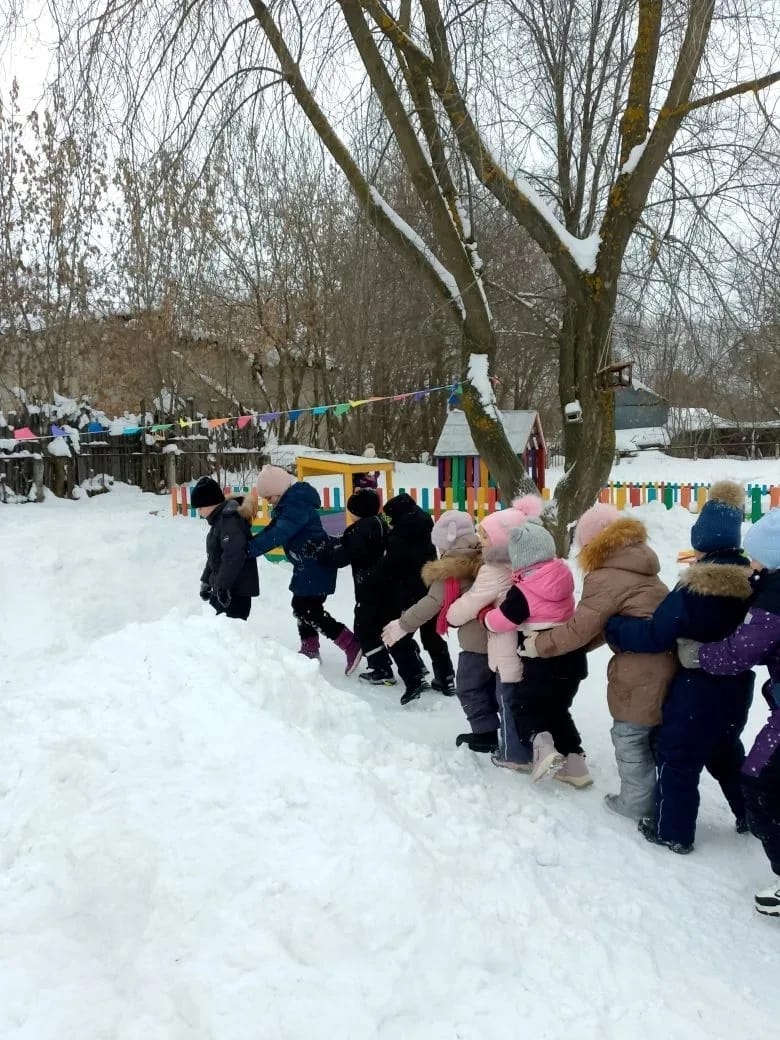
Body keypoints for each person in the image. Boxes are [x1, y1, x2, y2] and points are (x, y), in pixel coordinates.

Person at [605, 481, 754, 854]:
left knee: (678, 759)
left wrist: (617, 627)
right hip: (737, 687)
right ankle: (751, 813)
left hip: (697, 688)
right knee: (725, 749)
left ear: (700, 541)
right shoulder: (754, 583)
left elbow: (657, 634)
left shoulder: (694, 589)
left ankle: (672, 831)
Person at [521, 505, 675, 814]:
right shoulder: (641, 565)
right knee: (655, 736)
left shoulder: (606, 576)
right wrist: (572, 649)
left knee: (630, 736)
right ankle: (664, 801)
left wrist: (540, 644)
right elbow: (602, 626)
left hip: (638, 668)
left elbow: (581, 628)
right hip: (665, 662)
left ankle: (635, 804)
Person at [675, 508, 780, 915]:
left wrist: (699, 655)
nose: (751, 565)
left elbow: (741, 652)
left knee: (759, 781)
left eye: (756, 558)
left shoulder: (774, 600)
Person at [483, 506, 590, 786]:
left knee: (525, 706)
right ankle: (576, 766)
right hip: (571, 657)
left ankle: (543, 750)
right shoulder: (562, 575)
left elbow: (504, 620)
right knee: (558, 711)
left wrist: (486, 619)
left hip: (541, 657)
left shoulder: (524, 589)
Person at [382, 511, 495, 747]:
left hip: (477, 640)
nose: (439, 551)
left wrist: (402, 625)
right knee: (497, 686)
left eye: (440, 545)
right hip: (500, 632)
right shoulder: (485, 554)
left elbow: (433, 602)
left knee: (470, 686)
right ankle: (507, 734)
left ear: (448, 541)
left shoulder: (452, 566)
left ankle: (486, 734)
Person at [446, 498, 536, 770]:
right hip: (530, 641)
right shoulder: (528, 563)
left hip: (504, 643)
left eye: (485, 536)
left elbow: (471, 603)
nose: (480, 540)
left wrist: (450, 615)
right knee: (521, 698)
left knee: (505, 697)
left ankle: (513, 754)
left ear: (501, 540)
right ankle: (532, 745)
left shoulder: (494, 569)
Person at [245, 465, 361, 674]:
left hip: (315, 563)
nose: (269, 502)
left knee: (308, 609)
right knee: (301, 606)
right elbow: (272, 529)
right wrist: (250, 544)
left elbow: (277, 534)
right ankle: (310, 648)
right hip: (307, 564)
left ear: (279, 491)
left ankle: (350, 643)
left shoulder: (296, 507)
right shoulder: (290, 504)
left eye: (269, 497)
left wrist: (248, 550)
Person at [316, 488, 424, 696]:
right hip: (392, 587)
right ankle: (415, 667)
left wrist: (321, 554)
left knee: (365, 629)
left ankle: (381, 669)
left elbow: (343, 557)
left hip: (370, 589)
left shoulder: (357, 532)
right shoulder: (384, 525)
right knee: (392, 628)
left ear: (356, 512)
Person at [380, 493, 455, 703]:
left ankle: (414, 678)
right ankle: (446, 677)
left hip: (407, 594)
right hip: (431, 589)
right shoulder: (426, 526)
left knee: (397, 636)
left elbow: (390, 567)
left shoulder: (398, 537)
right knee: (432, 636)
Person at [192, 476, 259, 620]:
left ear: (211, 504)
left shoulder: (229, 520)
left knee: (229, 630)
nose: (199, 512)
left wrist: (223, 587)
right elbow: (215, 555)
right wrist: (206, 580)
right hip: (225, 587)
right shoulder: (219, 521)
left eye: (200, 508)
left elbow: (233, 555)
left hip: (235, 591)